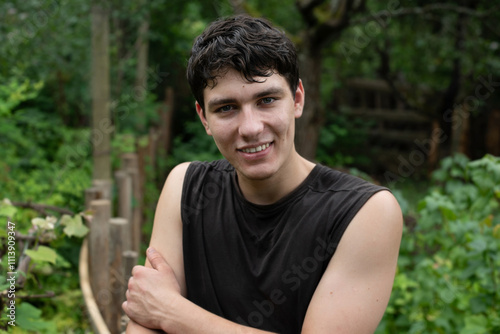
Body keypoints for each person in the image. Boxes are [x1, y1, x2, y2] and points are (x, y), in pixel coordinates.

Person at [122, 14, 402, 334]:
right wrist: (158, 313)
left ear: (297, 99)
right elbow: (143, 325)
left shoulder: (366, 212)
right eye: (226, 108)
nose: (251, 128)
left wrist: (173, 313)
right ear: (204, 118)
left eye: (266, 100)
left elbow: (157, 309)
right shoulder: (185, 188)